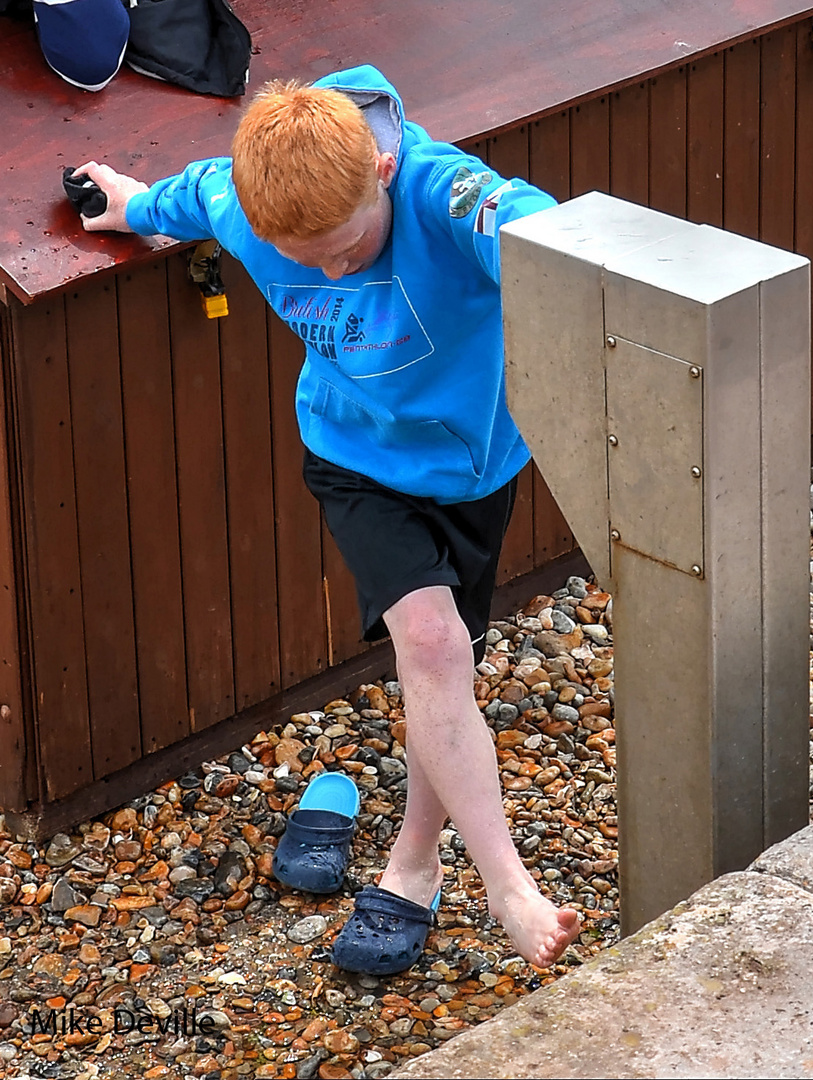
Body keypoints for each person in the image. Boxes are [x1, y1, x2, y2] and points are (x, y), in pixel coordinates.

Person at [74, 64, 580, 972]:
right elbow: (189, 196)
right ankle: (507, 884)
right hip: (353, 459)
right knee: (430, 646)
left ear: (381, 170)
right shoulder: (248, 202)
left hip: (474, 466)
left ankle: (415, 863)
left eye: (346, 248)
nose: (332, 270)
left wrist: (550, 241)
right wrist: (131, 204)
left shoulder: (435, 187)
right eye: (306, 261)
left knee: (443, 669)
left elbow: (532, 223)